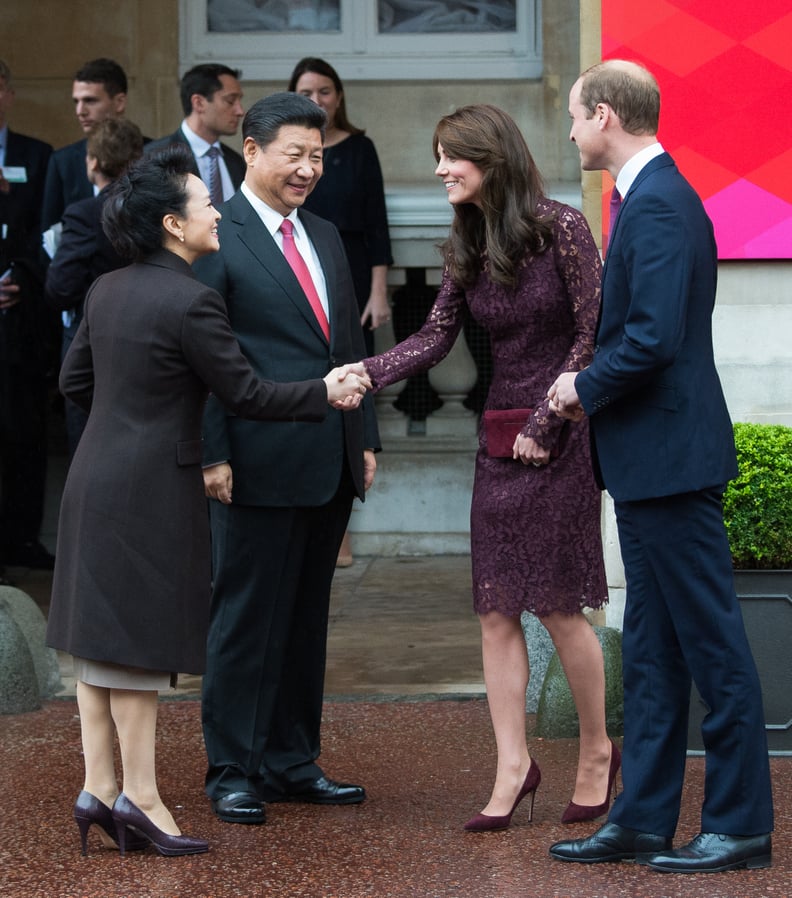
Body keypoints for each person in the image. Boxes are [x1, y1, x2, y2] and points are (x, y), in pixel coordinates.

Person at [44, 145, 370, 857]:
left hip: (93, 476)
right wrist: (324, 390)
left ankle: (98, 789)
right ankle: (144, 799)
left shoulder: (104, 290)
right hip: (152, 485)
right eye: (202, 202)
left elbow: (75, 385)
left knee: (97, 640)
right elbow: (246, 394)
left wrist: (130, 416)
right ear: (171, 223)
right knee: (133, 643)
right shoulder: (191, 297)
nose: (216, 211)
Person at [360, 104, 614, 831]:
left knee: (561, 608)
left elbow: (594, 336)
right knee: (496, 611)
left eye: (450, 157)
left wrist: (546, 421)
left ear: (490, 159)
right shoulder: (465, 241)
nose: (439, 169)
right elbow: (436, 337)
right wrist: (363, 373)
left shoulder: (561, 227)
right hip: (498, 445)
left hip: (560, 440)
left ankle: (597, 752)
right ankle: (513, 765)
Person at [547, 60, 773, 873]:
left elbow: (651, 339)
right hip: (648, 466)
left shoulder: (663, 205)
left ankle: (740, 826)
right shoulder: (643, 199)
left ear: (604, 115)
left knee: (713, 651)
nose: (570, 132)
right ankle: (641, 821)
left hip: (670, 465)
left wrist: (580, 387)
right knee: (650, 654)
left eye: (574, 117)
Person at [195, 92, 380, 826]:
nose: (309, 169)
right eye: (294, 155)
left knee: (305, 618)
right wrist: (212, 454)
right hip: (251, 458)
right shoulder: (219, 234)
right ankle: (233, 767)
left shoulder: (327, 235)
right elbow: (204, 357)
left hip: (327, 457)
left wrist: (362, 436)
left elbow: (346, 348)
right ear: (251, 151)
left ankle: (292, 761)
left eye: (318, 156)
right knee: (246, 618)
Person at [288, 56, 393, 566]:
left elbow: (377, 223)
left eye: (324, 91)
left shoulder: (360, 148)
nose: (316, 100)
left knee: (351, 396)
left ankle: (341, 529)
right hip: (295, 280)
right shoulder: (286, 158)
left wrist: (378, 291)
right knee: (308, 391)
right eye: (306, 91)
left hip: (348, 277)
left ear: (339, 96)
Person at [45, 118, 144, 458]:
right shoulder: (153, 212)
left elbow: (59, 287)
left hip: (94, 348)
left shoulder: (86, 214)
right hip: (149, 340)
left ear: (94, 161)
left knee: (91, 450)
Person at [0, 58, 55, 576]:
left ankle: (22, 539)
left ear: (8, 95)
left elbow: (47, 233)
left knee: (23, 430)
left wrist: (21, 273)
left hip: (19, 320)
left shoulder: (35, 157)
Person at [41, 58, 132, 230]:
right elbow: (48, 235)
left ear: (119, 102)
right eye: (76, 101)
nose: (80, 111)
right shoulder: (62, 161)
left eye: (90, 101)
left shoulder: (152, 152)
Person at [145, 63, 245, 203]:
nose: (240, 111)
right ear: (198, 103)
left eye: (240, 101)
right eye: (230, 101)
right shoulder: (155, 157)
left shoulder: (236, 162)